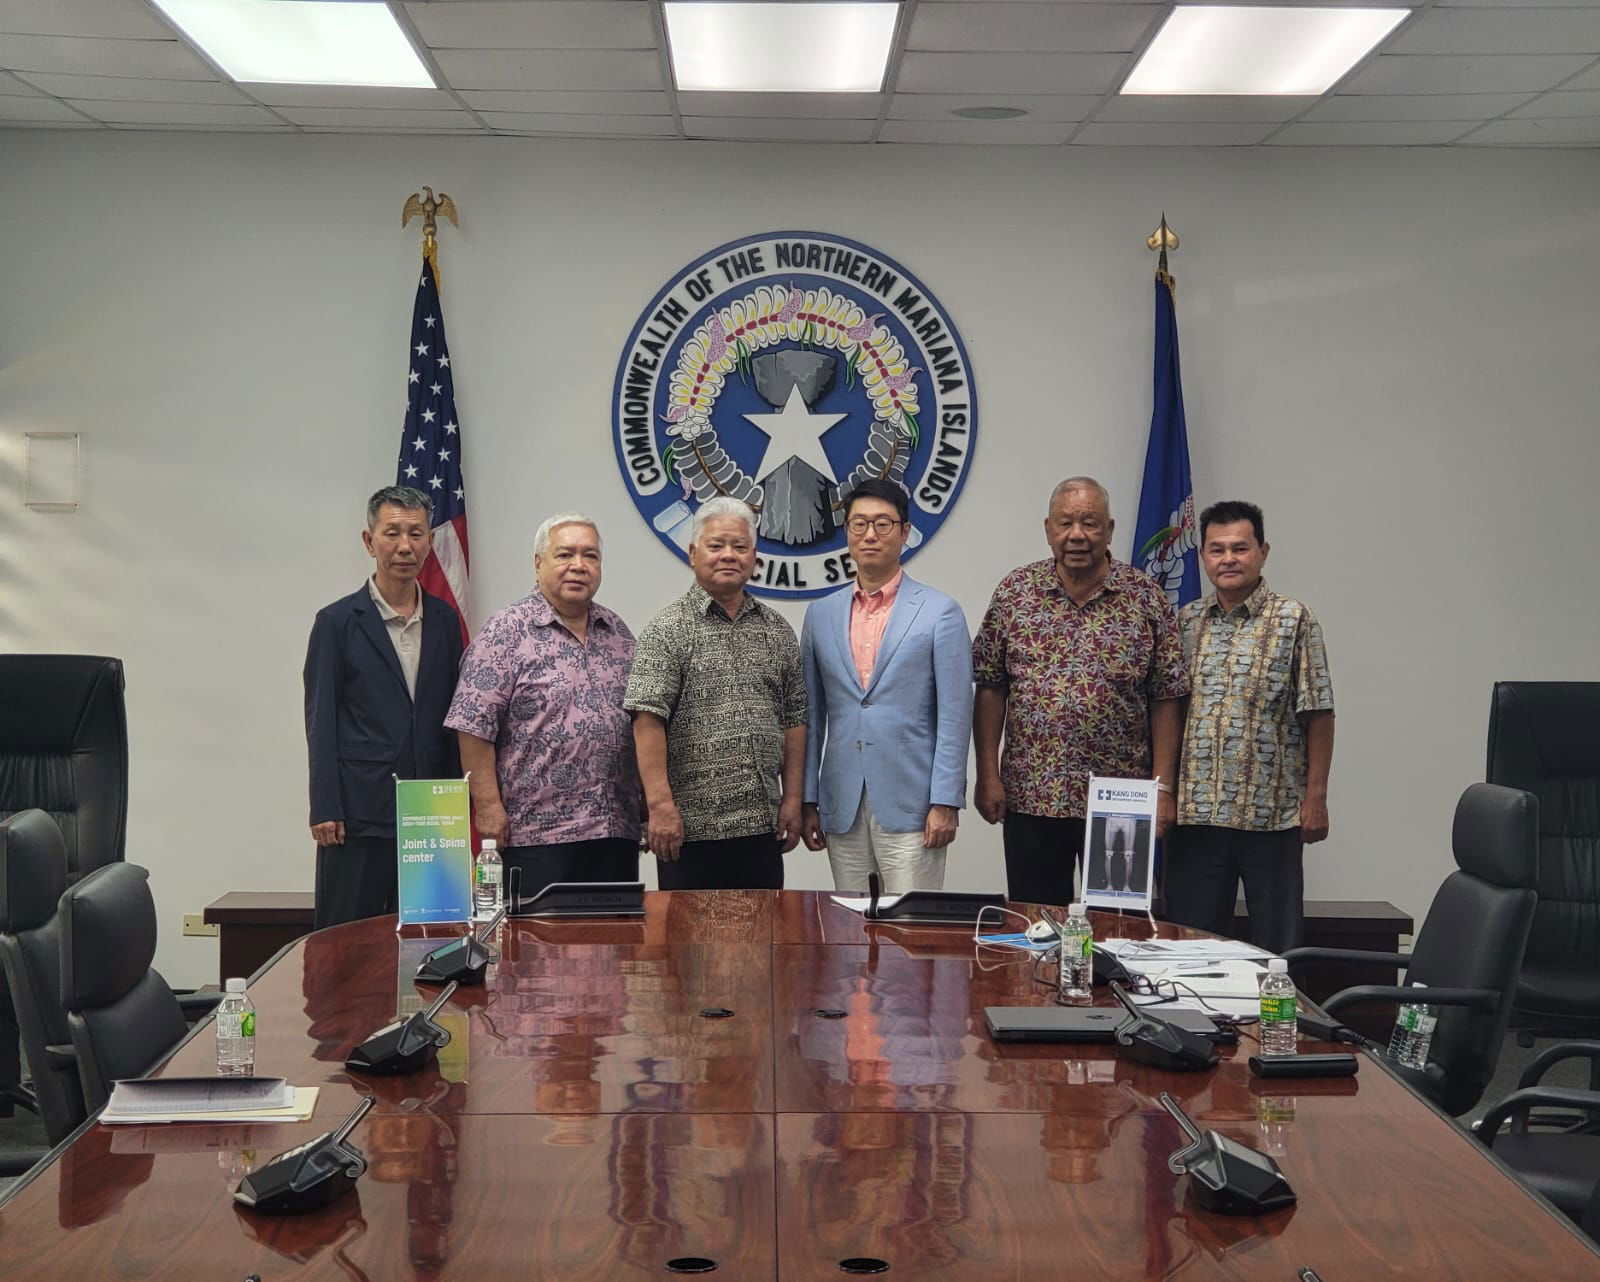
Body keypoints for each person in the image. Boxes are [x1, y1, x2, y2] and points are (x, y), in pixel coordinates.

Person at [971, 476, 1188, 907]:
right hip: (1032, 795)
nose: (1077, 535)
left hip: (1120, 799)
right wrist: (987, 775)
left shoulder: (1144, 597)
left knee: (1117, 926)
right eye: (1065, 523)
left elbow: (1167, 696)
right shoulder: (1015, 593)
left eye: (1089, 523)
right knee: (1039, 924)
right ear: (1048, 528)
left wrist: (1163, 789)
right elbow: (991, 687)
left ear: (1109, 529)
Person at [1165, 500, 1334, 954]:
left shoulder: (1293, 619)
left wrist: (1315, 798)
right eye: (1217, 550)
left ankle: (1280, 1027)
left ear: (1263, 551)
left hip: (1271, 814)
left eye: (1240, 548)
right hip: (1196, 815)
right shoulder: (1185, 622)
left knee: (1278, 948)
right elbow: (1167, 712)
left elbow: (1318, 712)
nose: (1228, 559)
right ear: (1202, 556)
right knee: (1191, 945)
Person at [445, 513, 641, 903]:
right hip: (536, 835)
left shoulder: (618, 631)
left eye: (590, 556)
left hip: (612, 830)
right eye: (564, 554)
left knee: (614, 950)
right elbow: (472, 726)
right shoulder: (506, 631)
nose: (578, 565)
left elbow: (640, 723)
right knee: (540, 955)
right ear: (538, 563)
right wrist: (487, 808)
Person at [624, 497, 808, 890]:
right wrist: (659, 808)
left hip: (761, 827)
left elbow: (795, 719)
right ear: (693, 554)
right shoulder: (667, 629)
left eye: (740, 547)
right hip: (689, 831)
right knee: (690, 949)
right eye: (716, 545)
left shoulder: (777, 630)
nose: (729, 555)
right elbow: (647, 720)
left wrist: (792, 801)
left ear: (754, 557)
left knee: (764, 945)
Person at [798, 478, 972, 891]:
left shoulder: (939, 612)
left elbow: (955, 716)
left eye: (883, 523)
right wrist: (808, 799)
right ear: (847, 533)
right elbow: (811, 717)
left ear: (905, 532)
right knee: (851, 934)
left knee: (910, 933)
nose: (870, 535)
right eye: (859, 524)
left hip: (913, 806)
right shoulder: (820, 615)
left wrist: (945, 801)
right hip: (842, 802)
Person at [304, 486, 465, 928]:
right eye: (392, 533)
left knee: (432, 938)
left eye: (416, 533)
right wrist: (325, 805)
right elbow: (321, 721)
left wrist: (459, 798)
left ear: (430, 543)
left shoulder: (446, 621)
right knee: (347, 941)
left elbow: (455, 715)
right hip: (359, 811)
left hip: (432, 809)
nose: (404, 546)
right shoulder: (336, 623)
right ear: (369, 540)